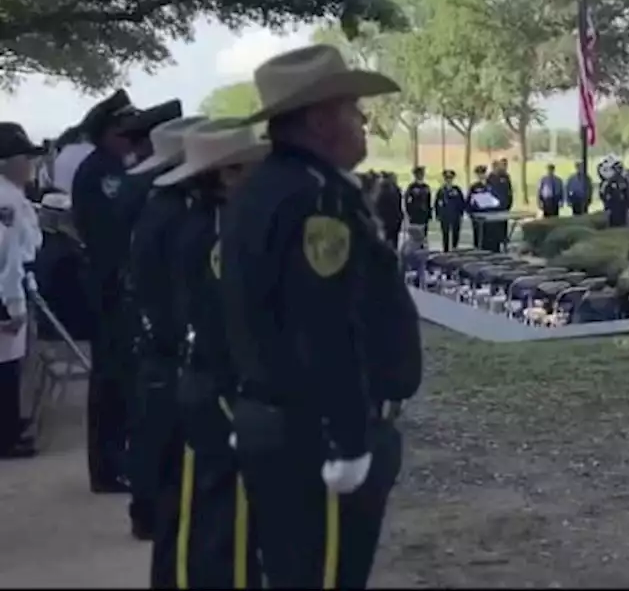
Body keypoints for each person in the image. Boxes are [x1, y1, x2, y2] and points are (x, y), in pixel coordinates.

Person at [220, 44, 423, 588]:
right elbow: (325, 327)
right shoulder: (318, 200)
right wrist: (350, 440)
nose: (364, 124)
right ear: (319, 119)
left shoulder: (259, 190)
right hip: (314, 433)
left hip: (278, 419)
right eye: (354, 111)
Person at [158, 120, 269, 588]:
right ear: (226, 175)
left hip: (199, 378)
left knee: (203, 516)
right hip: (219, 387)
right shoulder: (216, 234)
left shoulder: (189, 221)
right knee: (226, 527)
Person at [122, 114, 205, 545]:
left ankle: (149, 509)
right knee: (164, 436)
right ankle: (154, 512)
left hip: (155, 336)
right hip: (168, 341)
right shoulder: (174, 215)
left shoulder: (159, 206)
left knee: (154, 429)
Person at [72, 89, 143, 495]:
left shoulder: (111, 167)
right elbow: (111, 234)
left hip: (114, 282)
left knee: (119, 376)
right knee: (112, 378)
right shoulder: (104, 173)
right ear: (109, 131)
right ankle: (108, 465)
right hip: (110, 283)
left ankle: (116, 459)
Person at [0, 123, 45, 460]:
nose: (31, 164)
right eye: (24, 157)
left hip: (12, 284)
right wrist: (11, 304)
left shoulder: (12, 195)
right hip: (7, 288)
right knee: (6, 365)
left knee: (11, 364)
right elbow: (9, 256)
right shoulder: (7, 200)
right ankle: (7, 435)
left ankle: (11, 426)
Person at [467, 165, 502, 252]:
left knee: (492, 237)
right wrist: (471, 213)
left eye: (482, 173)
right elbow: (469, 201)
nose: (481, 176)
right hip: (479, 215)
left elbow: (499, 198)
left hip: (491, 215)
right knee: (480, 238)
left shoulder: (492, 185)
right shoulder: (474, 187)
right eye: (478, 174)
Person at [435, 169, 465, 252]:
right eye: (447, 178)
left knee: (456, 232)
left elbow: (461, 202)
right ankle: (446, 249)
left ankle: (455, 248)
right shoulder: (441, 191)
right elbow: (437, 203)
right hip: (445, 216)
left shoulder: (457, 190)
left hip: (455, 215)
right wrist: (438, 215)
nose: (448, 180)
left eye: (450, 178)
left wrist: (461, 213)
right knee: (445, 234)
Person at [599, 155, 629, 229]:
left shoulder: (623, 181)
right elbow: (603, 195)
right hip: (612, 209)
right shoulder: (607, 183)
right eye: (616, 169)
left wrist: (627, 205)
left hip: (622, 208)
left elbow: (627, 193)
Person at [374, 172, 404, 247]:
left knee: (394, 240)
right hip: (386, 219)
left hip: (395, 219)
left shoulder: (396, 190)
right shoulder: (382, 191)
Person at [403, 166, 432, 240]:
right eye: (419, 174)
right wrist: (409, 212)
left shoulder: (426, 187)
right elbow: (407, 201)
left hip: (424, 214)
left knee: (424, 235)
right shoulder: (412, 187)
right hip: (414, 215)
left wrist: (429, 214)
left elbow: (428, 201)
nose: (421, 176)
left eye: (422, 174)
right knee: (414, 235)